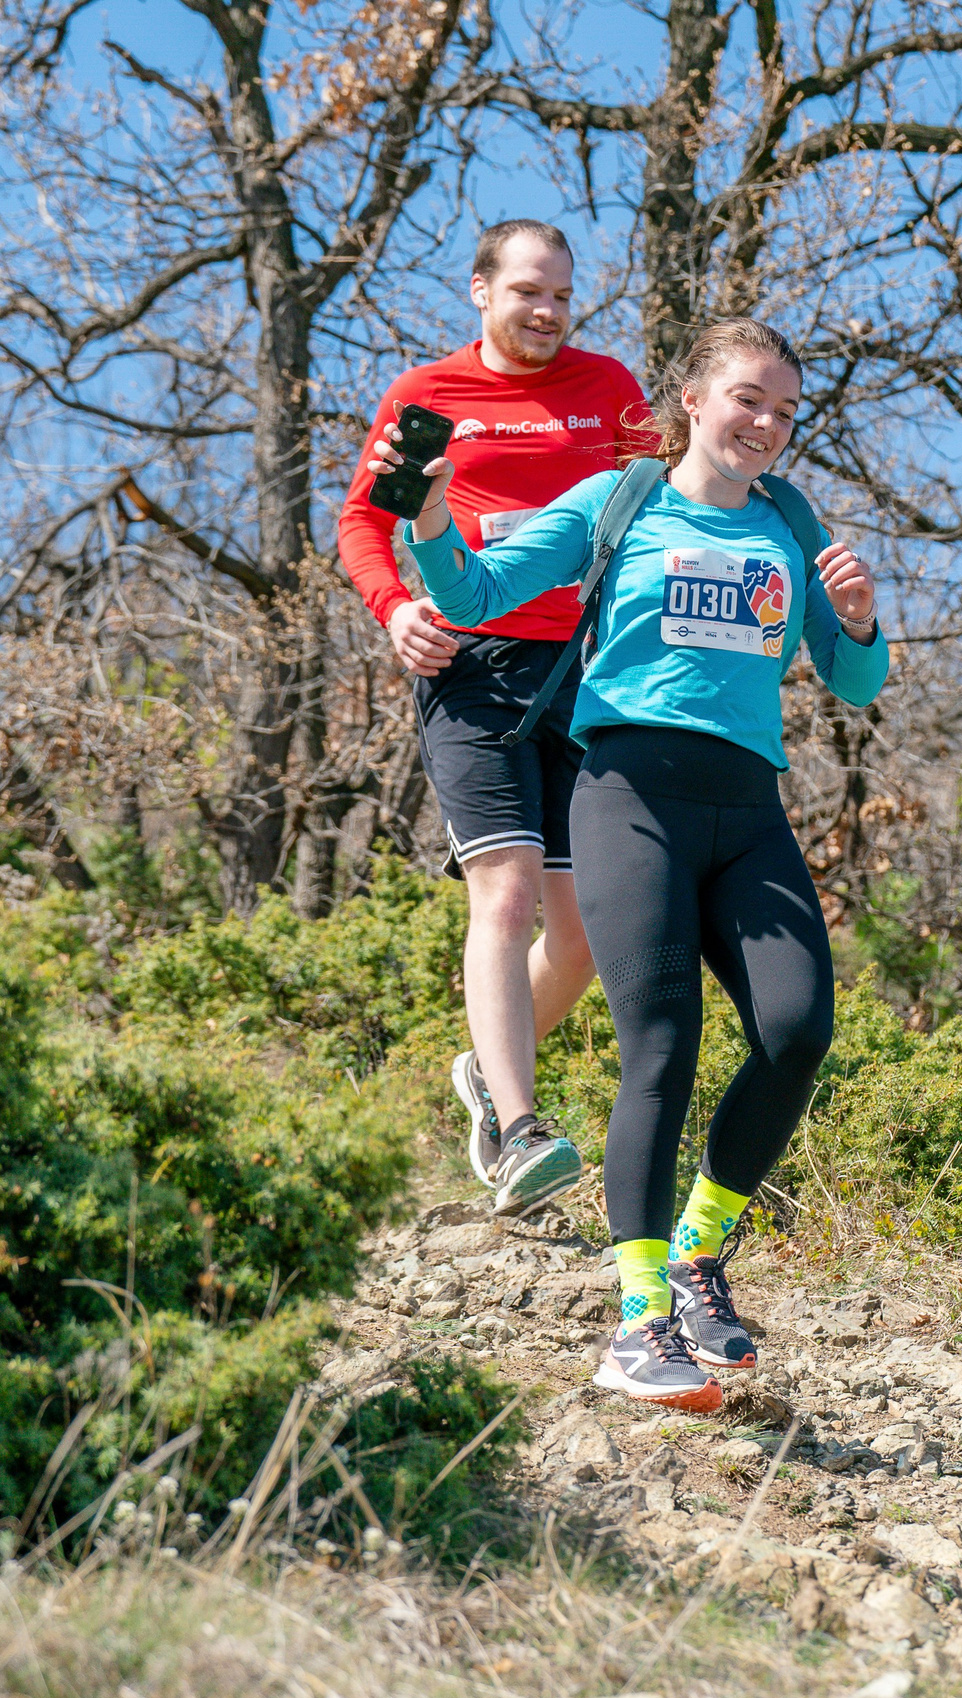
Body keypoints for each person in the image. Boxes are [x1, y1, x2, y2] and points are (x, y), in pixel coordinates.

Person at [366, 317, 888, 1412]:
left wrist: (856, 618)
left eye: (786, 411)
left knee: (797, 1032)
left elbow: (849, 682)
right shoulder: (622, 504)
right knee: (663, 1040)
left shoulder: (791, 521)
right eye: (748, 398)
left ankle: (700, 1254)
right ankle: (638, 1319)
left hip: (748, 806)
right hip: (627, 795)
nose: (767, 424)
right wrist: (424, 511)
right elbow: (467, 594)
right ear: (691, 400)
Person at [338, 219, 649, 1216]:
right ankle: (519, 1133)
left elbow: (661, 501)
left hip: (581, 672)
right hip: (469, 664)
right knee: (504, 893)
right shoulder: (429, 397)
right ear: (481, 292)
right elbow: (363, 521)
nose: (548, 311)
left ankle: (481, 1070)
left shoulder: (610, 393)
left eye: (561, 295)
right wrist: (397, 613)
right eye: (527, 292)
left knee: (583, 931)